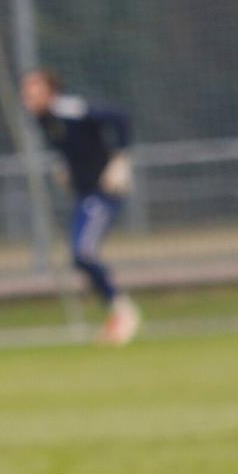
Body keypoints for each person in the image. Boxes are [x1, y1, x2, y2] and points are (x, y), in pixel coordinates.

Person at [20, 68, 139, 345]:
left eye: (34, 90)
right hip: (84, 194)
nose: (28, 97)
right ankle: (117, 311)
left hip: (103, 191)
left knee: (83, 252)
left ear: (51, 91)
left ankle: (124, 312)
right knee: (79, 257)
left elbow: (120, 118)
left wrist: (120, 159)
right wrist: (65, 167)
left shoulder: (71, 110)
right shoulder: (43, 120)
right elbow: (72, 146)